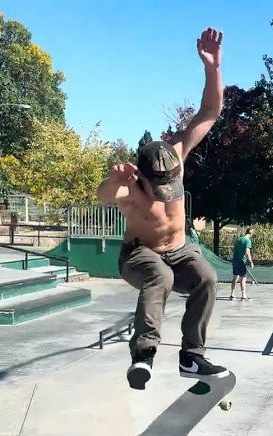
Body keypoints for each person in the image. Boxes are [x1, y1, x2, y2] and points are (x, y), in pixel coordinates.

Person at [97, 28, 230, 390]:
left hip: (180, 249)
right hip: (139, 256)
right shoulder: (129, 186)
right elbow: (103, 195)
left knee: (206, 278)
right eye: (160, 189)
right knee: (162, 277)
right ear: (141, 174)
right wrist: (112, 178)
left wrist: (212, 67)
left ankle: (192, 357)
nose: (167, 193)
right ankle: (143, 357)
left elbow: (210, 110)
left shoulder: (178, 155)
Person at [228, 228, 255, 300]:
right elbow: (247, 251)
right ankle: (243, 295)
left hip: (235, 261)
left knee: (235, 277)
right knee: (243, 278)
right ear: (251, 234)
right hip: (241, 262)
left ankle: (232, 294)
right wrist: (250, 261)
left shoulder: (239, 239)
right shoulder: (247, 240)